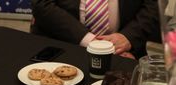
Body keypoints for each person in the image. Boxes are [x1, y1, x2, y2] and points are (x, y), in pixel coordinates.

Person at [31, 0, 162, 59]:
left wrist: (128, 37)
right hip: (61, 48)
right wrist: (90, 41)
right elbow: (42, 4)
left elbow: (153, 5)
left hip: (123, 53)